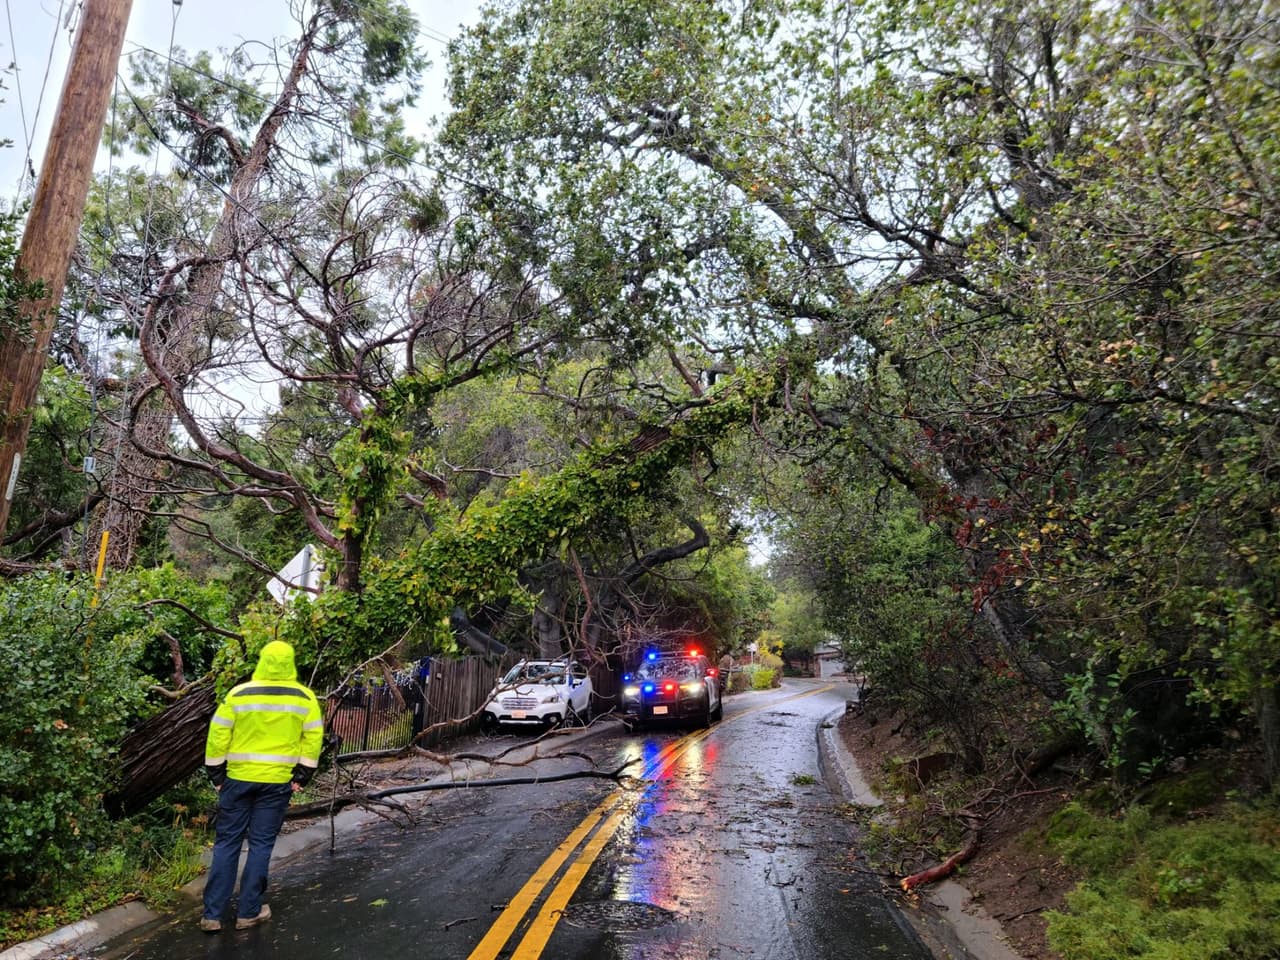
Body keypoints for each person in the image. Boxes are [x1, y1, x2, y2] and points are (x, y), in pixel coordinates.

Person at [200, 640, 323, 932]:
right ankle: (248, 913)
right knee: (260, 845)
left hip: (237, 780)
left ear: (262, 662)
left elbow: (218, 734)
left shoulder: (238, 694)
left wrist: (216, 776)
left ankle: (212, 916)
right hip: (276, 783)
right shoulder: (305, 699)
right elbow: (313, 740)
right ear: (290, 664)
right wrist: (301, 778)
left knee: (227, 843)